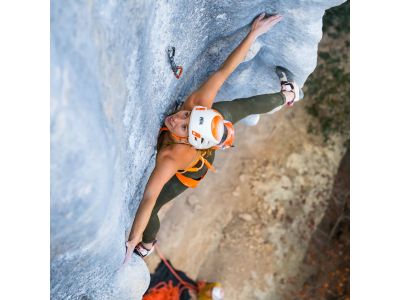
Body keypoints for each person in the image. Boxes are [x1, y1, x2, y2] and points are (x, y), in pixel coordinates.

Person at [124, 13, 303, 263]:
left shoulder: (172, 156)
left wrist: (134, 238)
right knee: (240, 106)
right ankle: (287, 96)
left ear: (187, 140)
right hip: (208, 128)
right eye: (185, 116)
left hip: (192, 169)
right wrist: (253, 33)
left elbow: (149, 197)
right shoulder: (198, 106)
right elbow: (225, 69)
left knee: (153, 210)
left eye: (183, 126)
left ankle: (148, 244)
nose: (176, 120)